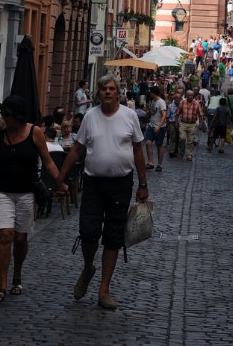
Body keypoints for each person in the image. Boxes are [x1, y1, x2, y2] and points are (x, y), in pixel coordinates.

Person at [57, 75, 148, 311]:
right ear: (98, 94)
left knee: (113, 236)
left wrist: (143, 183)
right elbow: (77, 148)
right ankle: (88, 268)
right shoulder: (90, 116)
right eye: (103, 89)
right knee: (88, 232)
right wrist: (61, 177)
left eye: (111, 89)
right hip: (94, 184)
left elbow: (138, 150)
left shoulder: (129, 117)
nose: (108, 92)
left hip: (121, 184)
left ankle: (104, 289)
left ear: (118, 93)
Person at [0, 95, 64, 303]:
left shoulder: (34, 133)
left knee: (20, 238)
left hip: (26, 192)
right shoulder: (0, 136)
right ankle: (2, 285)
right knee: (5, 235)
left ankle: (17, 273)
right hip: (3, 191)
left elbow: (47, 161)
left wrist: (61, 182)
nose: (4, 118)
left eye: (7, 115)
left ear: (17, 116)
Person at [176, 89, 204, 162]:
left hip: (192, 124)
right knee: (182, 138)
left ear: (193, 96)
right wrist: (176, 122)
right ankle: (181, 151)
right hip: (183, 123)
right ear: (186, 96)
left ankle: (189, 154)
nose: (190, 97)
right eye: (188, 95)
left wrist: (201, 124)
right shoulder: (182, 102)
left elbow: (200, 115)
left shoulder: (197, 103)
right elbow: (177, 113)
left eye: (191, 95)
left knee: (190, 141)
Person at [145, 86, 167, 172]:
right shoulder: (152, 101)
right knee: (148, 143)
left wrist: (159, 126)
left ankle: (159, 164)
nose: (149, 94)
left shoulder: (161, 102)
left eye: (150, 93)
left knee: (159, 146)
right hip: (151, 125)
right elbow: (152, 112)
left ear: (153, 93)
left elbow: (164, 115)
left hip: (160, 127)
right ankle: (150, 163)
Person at [166, 91, 179, 158]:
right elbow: (167, 116)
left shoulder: (181, 105)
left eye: (179, 98)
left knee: (178, 137)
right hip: (172, 123)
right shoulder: (170, 106)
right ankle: (171, 151)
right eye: (176, 98)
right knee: (173, 137)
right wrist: (167, 126)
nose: (177, 100)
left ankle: (176, 149)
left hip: (180, 124)